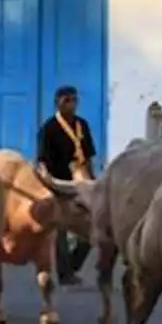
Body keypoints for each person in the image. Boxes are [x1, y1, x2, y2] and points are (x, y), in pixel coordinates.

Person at [37, 85, 96, 286]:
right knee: (61, 229)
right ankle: (64, 273)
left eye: (73, 100)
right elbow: (43, 161)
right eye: (66, 101)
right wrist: (49, 185)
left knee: (91, 228)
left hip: (83, 182)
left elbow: (88, 156)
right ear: (57, 103)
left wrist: (92, 180)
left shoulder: (83, 125)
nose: (71, 104)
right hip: (60, 184)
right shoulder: (49, 128)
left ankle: (73, 263)